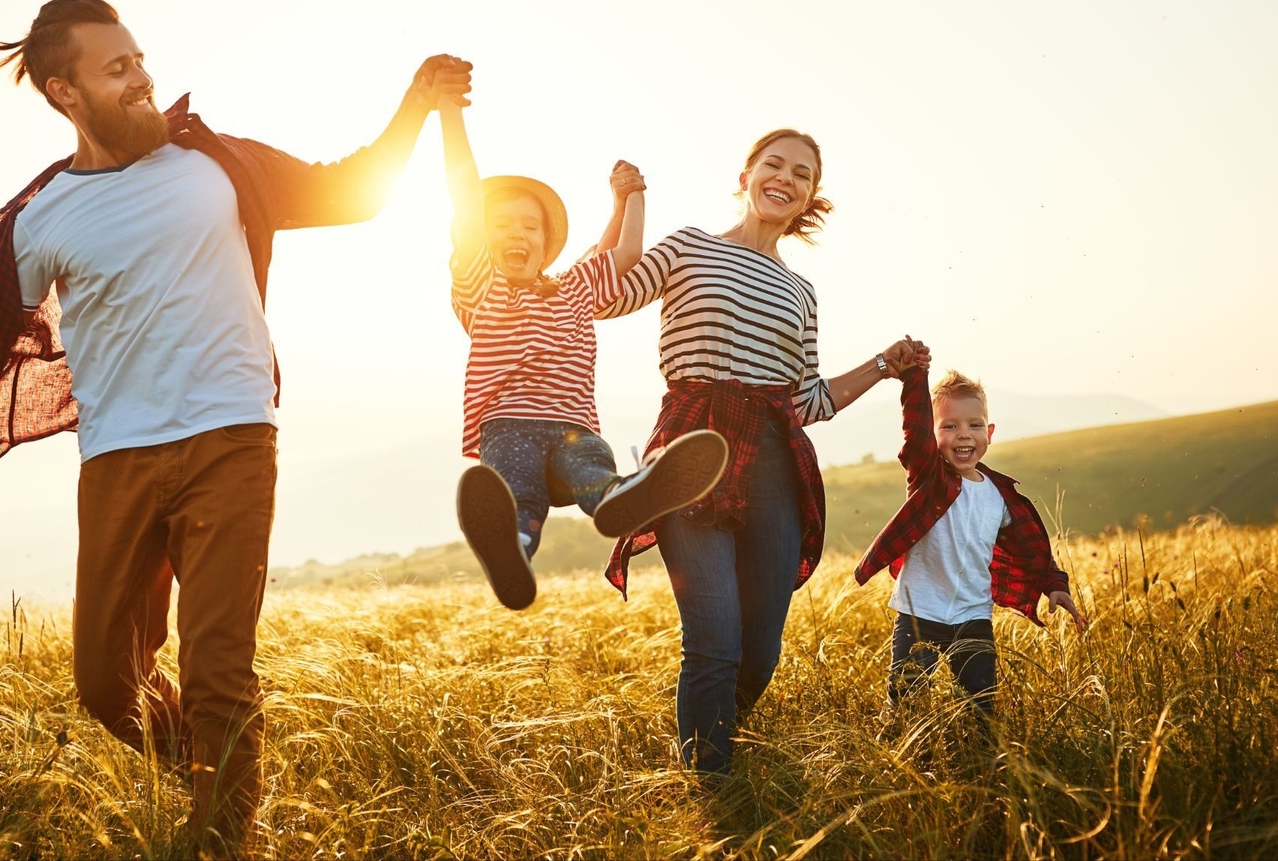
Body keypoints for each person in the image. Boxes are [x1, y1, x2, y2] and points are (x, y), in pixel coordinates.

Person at [0, 0, 469, 852]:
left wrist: (415, 101)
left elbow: (352, 192)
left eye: (140, 59)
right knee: (104, 685)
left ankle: (221, 834)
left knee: (217, 670)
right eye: (116, 68)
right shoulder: (41, 216)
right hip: (117, 457)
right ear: (64, 91)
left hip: (231, 439)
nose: (142, 77)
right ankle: (209, 769)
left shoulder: (216, 164)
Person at [599, 128, 929, 775]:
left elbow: (807, 401)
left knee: (758, 652)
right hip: (692, 451)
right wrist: (625, 203)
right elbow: (609, 295)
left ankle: (716, 743)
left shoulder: (801, 292)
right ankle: (711, 791)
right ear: (746, 173)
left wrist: (884, 365)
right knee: (714, 640)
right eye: (773, 164)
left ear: (811, 196)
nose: (785, 178)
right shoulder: (689, 247)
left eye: (802, 174)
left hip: (776, 462)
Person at [438, 92, 727, 611]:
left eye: (530, 227)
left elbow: (626, 252)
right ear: (481, 239)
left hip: (575, 428)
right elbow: (463, 194)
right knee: (517, 497)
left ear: (546, 243)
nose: (516, 234)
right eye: (501, 226)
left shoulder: (575, 286)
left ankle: (623, 498)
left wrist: (632, 196)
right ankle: (515, 553)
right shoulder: (482, 286)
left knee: (593, 473)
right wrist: (450, 114)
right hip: (508, 425)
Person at [855, 365, 1086, 716]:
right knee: (906, 703)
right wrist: (916, 374)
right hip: (920, 612)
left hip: (973, 615)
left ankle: (981, 763)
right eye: (949, 426)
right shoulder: (929, 478)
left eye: (974, 425)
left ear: (989, 433)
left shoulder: (999, 496)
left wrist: (1054, 584)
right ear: (931, 437)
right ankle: (900, 757)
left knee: (981, 707)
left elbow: (1031, 550)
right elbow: (914, 427)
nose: (964, 434)